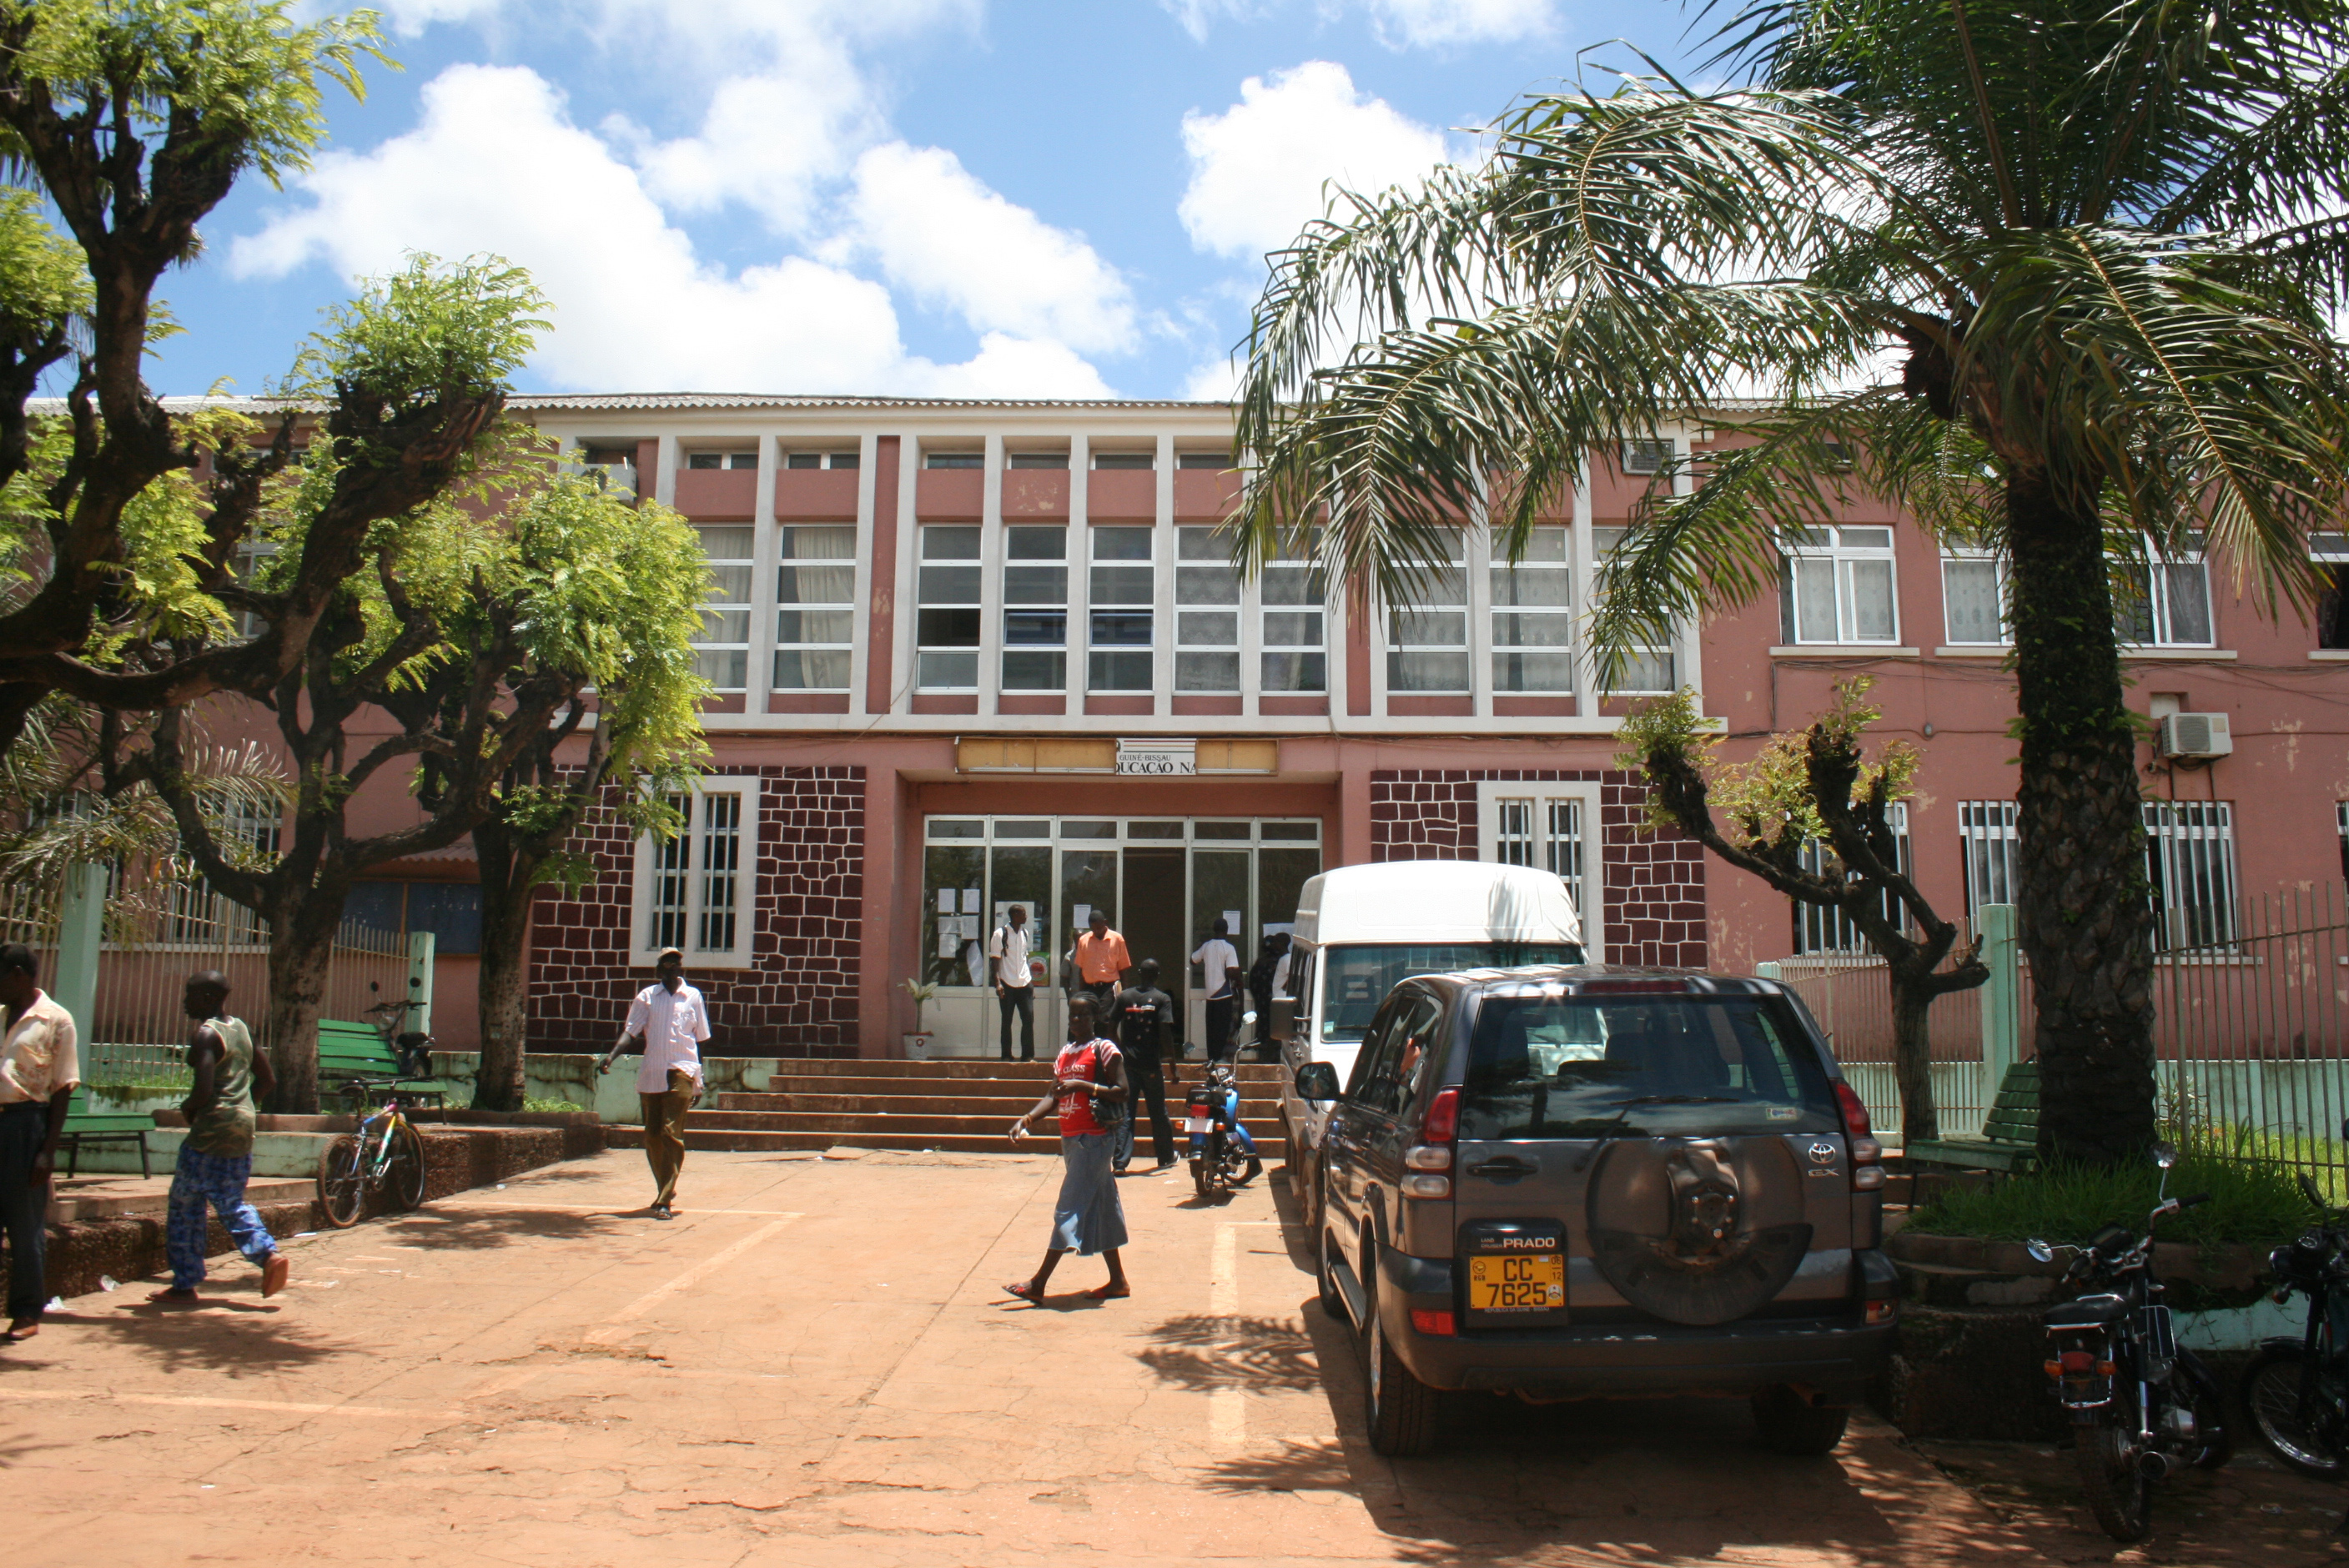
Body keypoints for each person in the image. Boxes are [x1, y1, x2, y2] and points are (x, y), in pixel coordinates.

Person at [152, 971, 289, 1307]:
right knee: (230, 1199)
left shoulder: (205, 1035)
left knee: (185, 1205)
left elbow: (202, 1090)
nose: (185, 1002)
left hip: (210, 1132)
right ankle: (267, 1256)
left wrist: (188, 1108)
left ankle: (187, 1281)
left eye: (192, 995)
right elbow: (267, 1078)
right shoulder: (241, 1029)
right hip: (242, 1128)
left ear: (210, 998)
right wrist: (244, 1107)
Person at [1003, 993, 1130, 1303]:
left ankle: (1038, 1283)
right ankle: (1118, 1281)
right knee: (1102, 1208)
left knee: (1068, 1208)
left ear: (1095, 1018)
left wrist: (1085, 1086)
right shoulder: (1065, 1053)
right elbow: (1053, 1095)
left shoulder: (1105, 1050)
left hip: (1095, 1139)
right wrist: (1027, 1119)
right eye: (1072, 1017)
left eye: (1083, 1017)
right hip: (1072, 1140)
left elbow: (1123, 1090)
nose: (1076, 1022)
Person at [0, 942, 78, 1340]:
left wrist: (47, 1151)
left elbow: (63, 1088)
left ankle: (28, 1311)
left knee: (24, 1222)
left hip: (25, 1124)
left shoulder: (55, 1021)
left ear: (17, 975)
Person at [597, 947, 709, 1220]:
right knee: (652, 1136)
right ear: (659, 970)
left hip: (682, 1070)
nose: (673, 969)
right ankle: (664, 1190)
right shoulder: (647, 997)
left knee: (671, 1132)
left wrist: (699, 1077)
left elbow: (700, 1039)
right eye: (667, 964)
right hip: (652, 1072)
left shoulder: (693, 997)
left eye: (677, 964)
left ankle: (663, 1200)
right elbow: (631, 1031)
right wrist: (611, 1057)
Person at [1110, 959, 1178, 1173]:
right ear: (1157, 975)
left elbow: (1110, 1028)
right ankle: (1165, 1157)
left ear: (1139, 973)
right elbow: (1166, 1035)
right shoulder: (1162, 999)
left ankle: (1120, 1162)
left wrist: (1118, 1051)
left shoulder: (1124, 997)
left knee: (1126, 1113)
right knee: (1158, 1112)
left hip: (1128, 1066)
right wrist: (1173, 1064)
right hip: (1151, 1066)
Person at [988, 903, 1037, 1061]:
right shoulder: (1000, 934)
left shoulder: (1025, 933)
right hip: (1007, 983)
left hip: (1024, 983)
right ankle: (1006, 1055)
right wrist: (998, 983)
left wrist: (1031, 984)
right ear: (1014, 915)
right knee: (1007, 1021)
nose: (1026, 917)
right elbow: (994, 960)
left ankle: (1028, 1055)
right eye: (1023, 914)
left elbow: (1024, 958)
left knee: (1028, 1019)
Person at [1193, 917, 1242, 1063]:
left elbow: (1193, 960)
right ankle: (1220, 1060)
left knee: (1211, 1029)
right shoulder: (1229, 948)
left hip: (1210, 995)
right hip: (1224, 994)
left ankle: (1211, 1059)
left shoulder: (1206, 946)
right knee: (1222, 1029)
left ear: (1213, 929)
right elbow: (1231, 971)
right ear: (1226, 930)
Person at [1071, 909, 1131, 1014]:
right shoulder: (1084, 940)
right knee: (1088, 1019)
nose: (1097, 932)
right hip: (1089, 987)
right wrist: (1080, 992)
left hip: (1109, 988)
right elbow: (1081, 969)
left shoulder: (1117, 939)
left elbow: (1123, 968)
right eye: (1093, 929)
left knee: (1103, 1019)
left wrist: (1124, 994)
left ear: (1105, 923)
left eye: (1099, 928)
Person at [1245, 932, 1289, 1061]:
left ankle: (1268, 1058)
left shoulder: (1282, 960)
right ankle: (1271, 1058)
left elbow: (1253, 983)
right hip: (1273, 1004)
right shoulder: (1270, 961)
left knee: (1271, 1033)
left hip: (1271, 1004)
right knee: (1275, 1033)